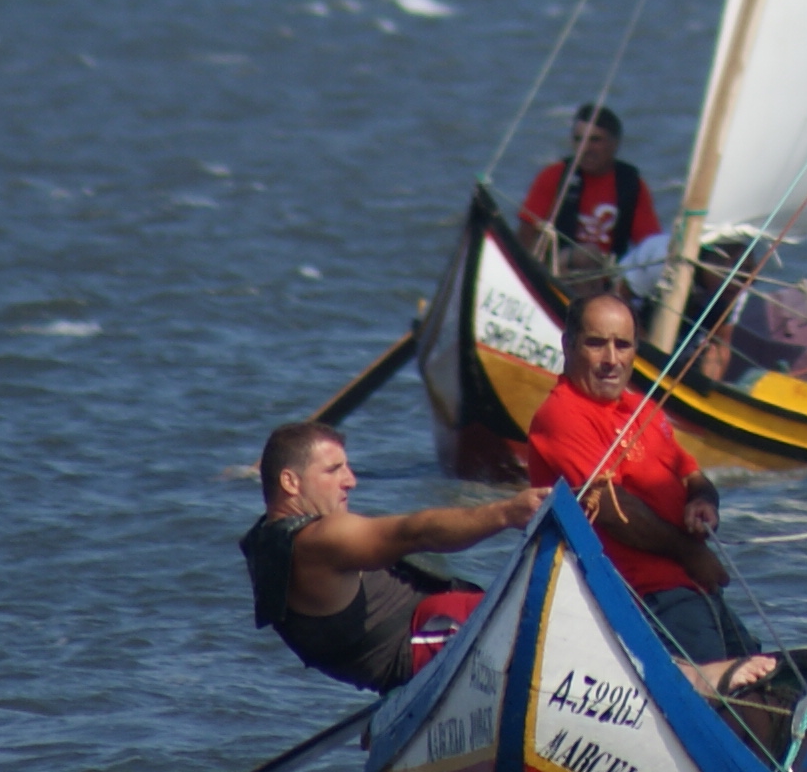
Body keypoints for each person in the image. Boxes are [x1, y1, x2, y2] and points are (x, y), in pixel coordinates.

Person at [522, 291, 774, 681]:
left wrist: (702, 501)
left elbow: (692, 473)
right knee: (728, 700)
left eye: (622, 345)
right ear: (568, 345)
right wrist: (692, 553)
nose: (611, 359)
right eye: (596, 343)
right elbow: (615, 511)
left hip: (694, 589)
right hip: (647, 599)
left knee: (771, 681)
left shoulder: (640, 408)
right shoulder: (562, 415)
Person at [239, 421, 532, 693]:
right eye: (333, 470)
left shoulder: (267, 544)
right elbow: (414, 533)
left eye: (348, 468)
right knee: (543, 615)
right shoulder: (318, 541)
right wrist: (506, 513)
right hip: (430, 642)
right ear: (290, 482)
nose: (350, 481)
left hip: (416, 655)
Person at [520, 104, 664, 283]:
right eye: (579, 140)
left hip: (608, 277)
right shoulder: (554, 177)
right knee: (586, 255)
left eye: (595, 140)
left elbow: (648, 244)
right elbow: (526, 235)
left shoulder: (631, 184)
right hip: (560, 273)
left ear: (615, 143)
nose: (585, 148)